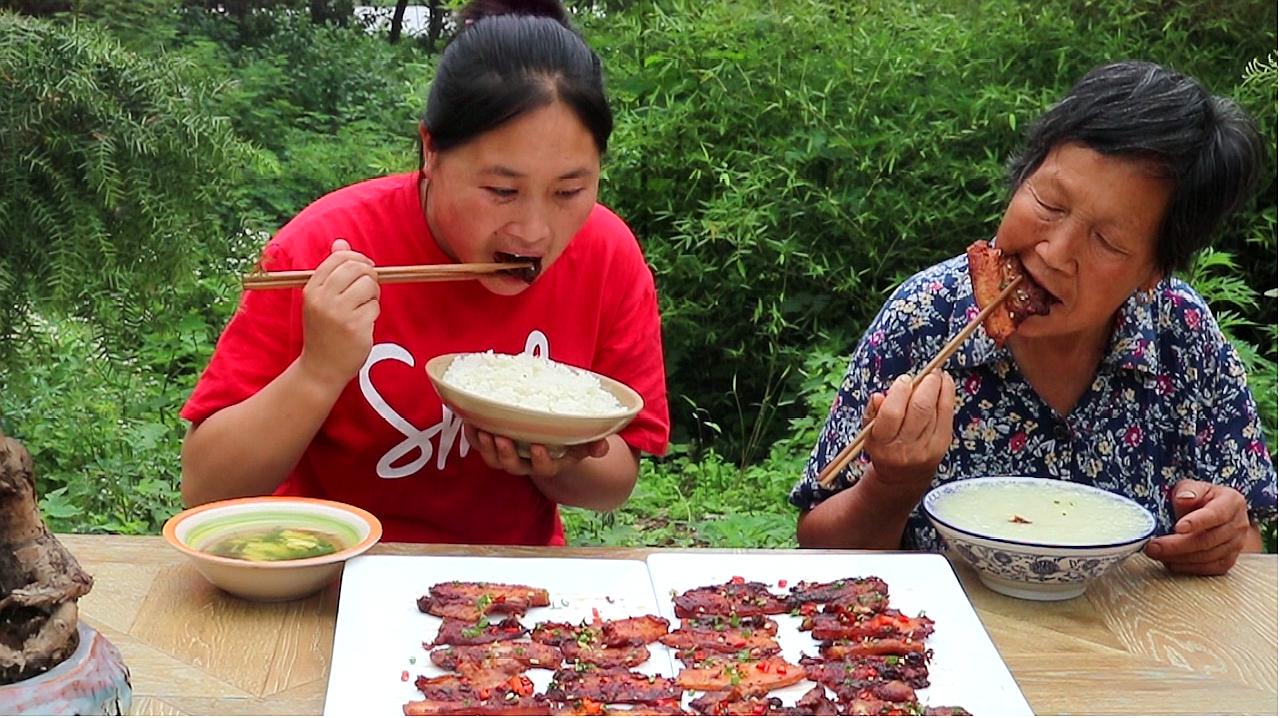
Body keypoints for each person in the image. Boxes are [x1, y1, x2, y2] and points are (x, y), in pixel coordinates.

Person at [180, 0, 669, 545]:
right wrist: (319, 370)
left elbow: (616, 481)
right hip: (329, 581)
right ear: (431, 152)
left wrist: (548, 455)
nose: (535, 231)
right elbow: (205, 487)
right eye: (502, 190)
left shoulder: (607, 255)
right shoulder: (325, 248)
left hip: (510, 592)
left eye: (569, 191)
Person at [791, 60, 1275, 575]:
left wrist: (1219, 536)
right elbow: (818, 551)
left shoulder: (1184, 338)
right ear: (1022, 176)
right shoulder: (925, 318)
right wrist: (893, 484)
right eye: (1049, 201)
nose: (1056, 251)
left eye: (1107, 241)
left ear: (1154, 270)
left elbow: (1248, 549)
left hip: (1129, 649)